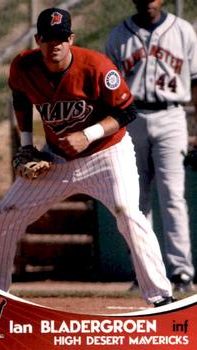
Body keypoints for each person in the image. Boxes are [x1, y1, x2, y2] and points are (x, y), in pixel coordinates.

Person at [0, 7, 175, 307]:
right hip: (57, 159)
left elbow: (126, 112)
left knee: (127, 212)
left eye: (61, 38)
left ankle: (162, 299)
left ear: (71, 38)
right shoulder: (23, 66)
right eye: (48, 38)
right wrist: (26, 145)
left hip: (107, 153)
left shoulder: (96, 66)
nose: (54, 44)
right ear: (38, 39)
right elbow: (19, 97)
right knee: (4, 215)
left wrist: (90, 134)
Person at [105, 0, 197, 292]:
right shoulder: (119, 35)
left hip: (172, 115)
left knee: (173, 197)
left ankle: (182, 272)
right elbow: (108, 91)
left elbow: (196, 83)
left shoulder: (182, 30)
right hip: (131, 117)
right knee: (135, 200)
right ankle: (144, 272)